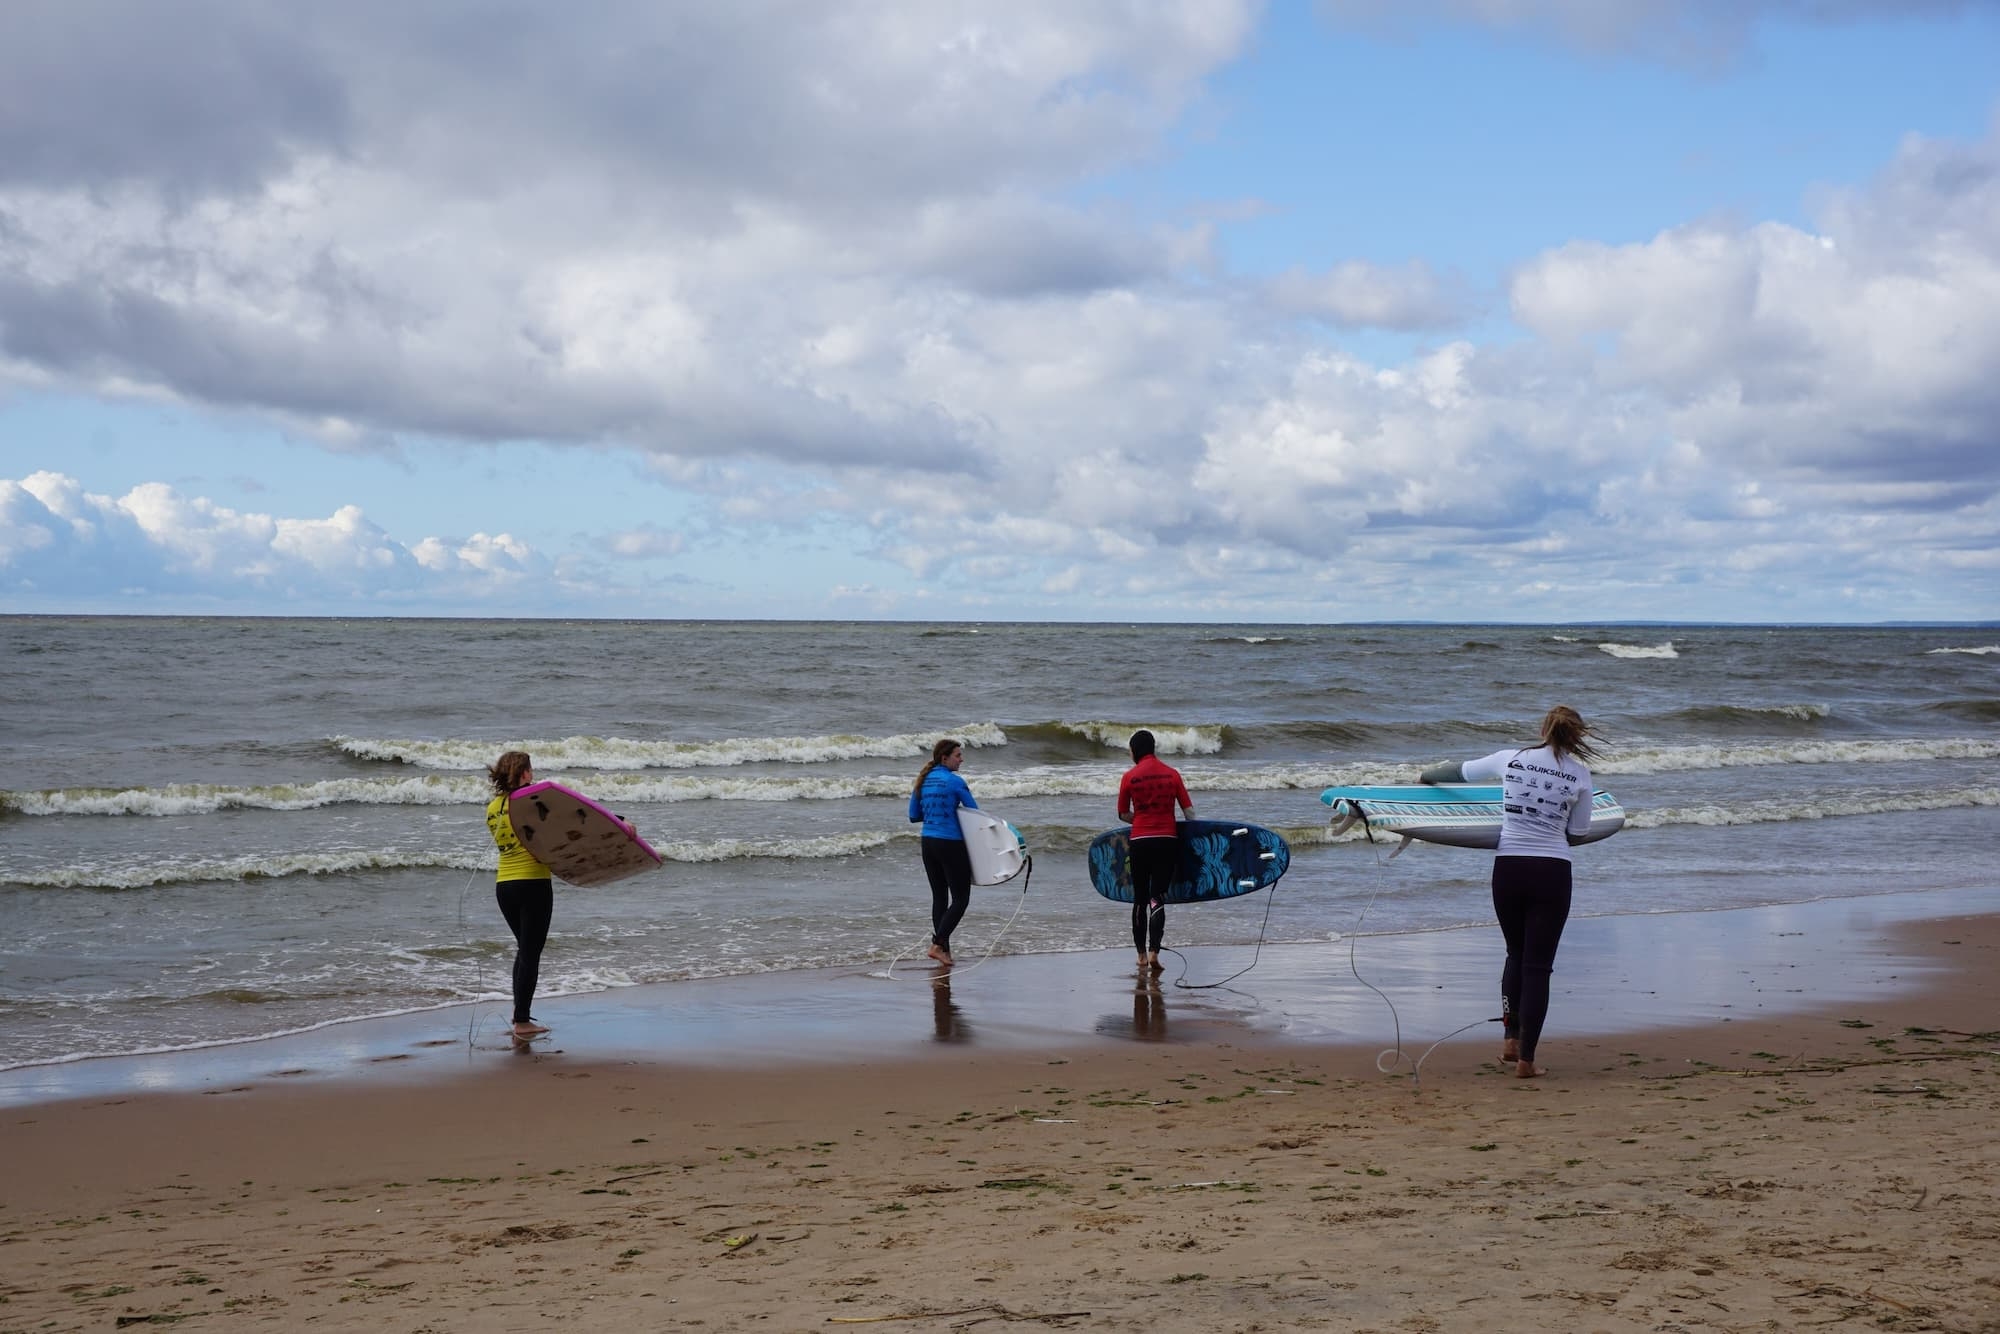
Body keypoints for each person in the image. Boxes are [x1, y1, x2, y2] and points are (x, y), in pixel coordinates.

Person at [1421, 705, 1600, 1079]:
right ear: (1577, 736)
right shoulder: (1581, 775)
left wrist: (1425, 778)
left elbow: (1454, 772)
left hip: (1509, 869)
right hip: (1551, 871)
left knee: (1515, 954)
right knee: (1538, 967)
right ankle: (1527, 1062)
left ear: (1542, 728)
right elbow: (1579, 833)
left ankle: (1509, 1040)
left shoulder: (1510, 759)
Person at [485, 750, 556, 1038]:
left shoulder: (492, 807)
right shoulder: (532, 800)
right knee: (530, 953)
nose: (533, 773)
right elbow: (571, 824)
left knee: (525, 951)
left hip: (505, 886)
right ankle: (522, 1022)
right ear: (524, 773)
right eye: (530, 769)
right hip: (533, 884)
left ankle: (520, 1016)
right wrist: (619, 823)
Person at [1117, 729, 1194, 973]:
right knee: (1157, 897)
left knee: (1139, 899)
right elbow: (1189, 813)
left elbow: (1122, 814)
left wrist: (1141, 820)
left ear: (1135, 750)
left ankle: (1140, 956)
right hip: (1167, 840)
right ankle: (1154, 953)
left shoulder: (1129, 777)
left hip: (1139, 840)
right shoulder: (1172, 774)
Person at [908, 737, 978, 965]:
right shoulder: (955, 781)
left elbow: (914, 815)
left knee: (939, 897)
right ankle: (938, 944)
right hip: (950, 843)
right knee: (961, 899)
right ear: (944, 758)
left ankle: (943, 952)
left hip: (928, 842)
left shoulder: (923, 780)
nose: (961, 759)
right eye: (958, 755)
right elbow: (975, 813)